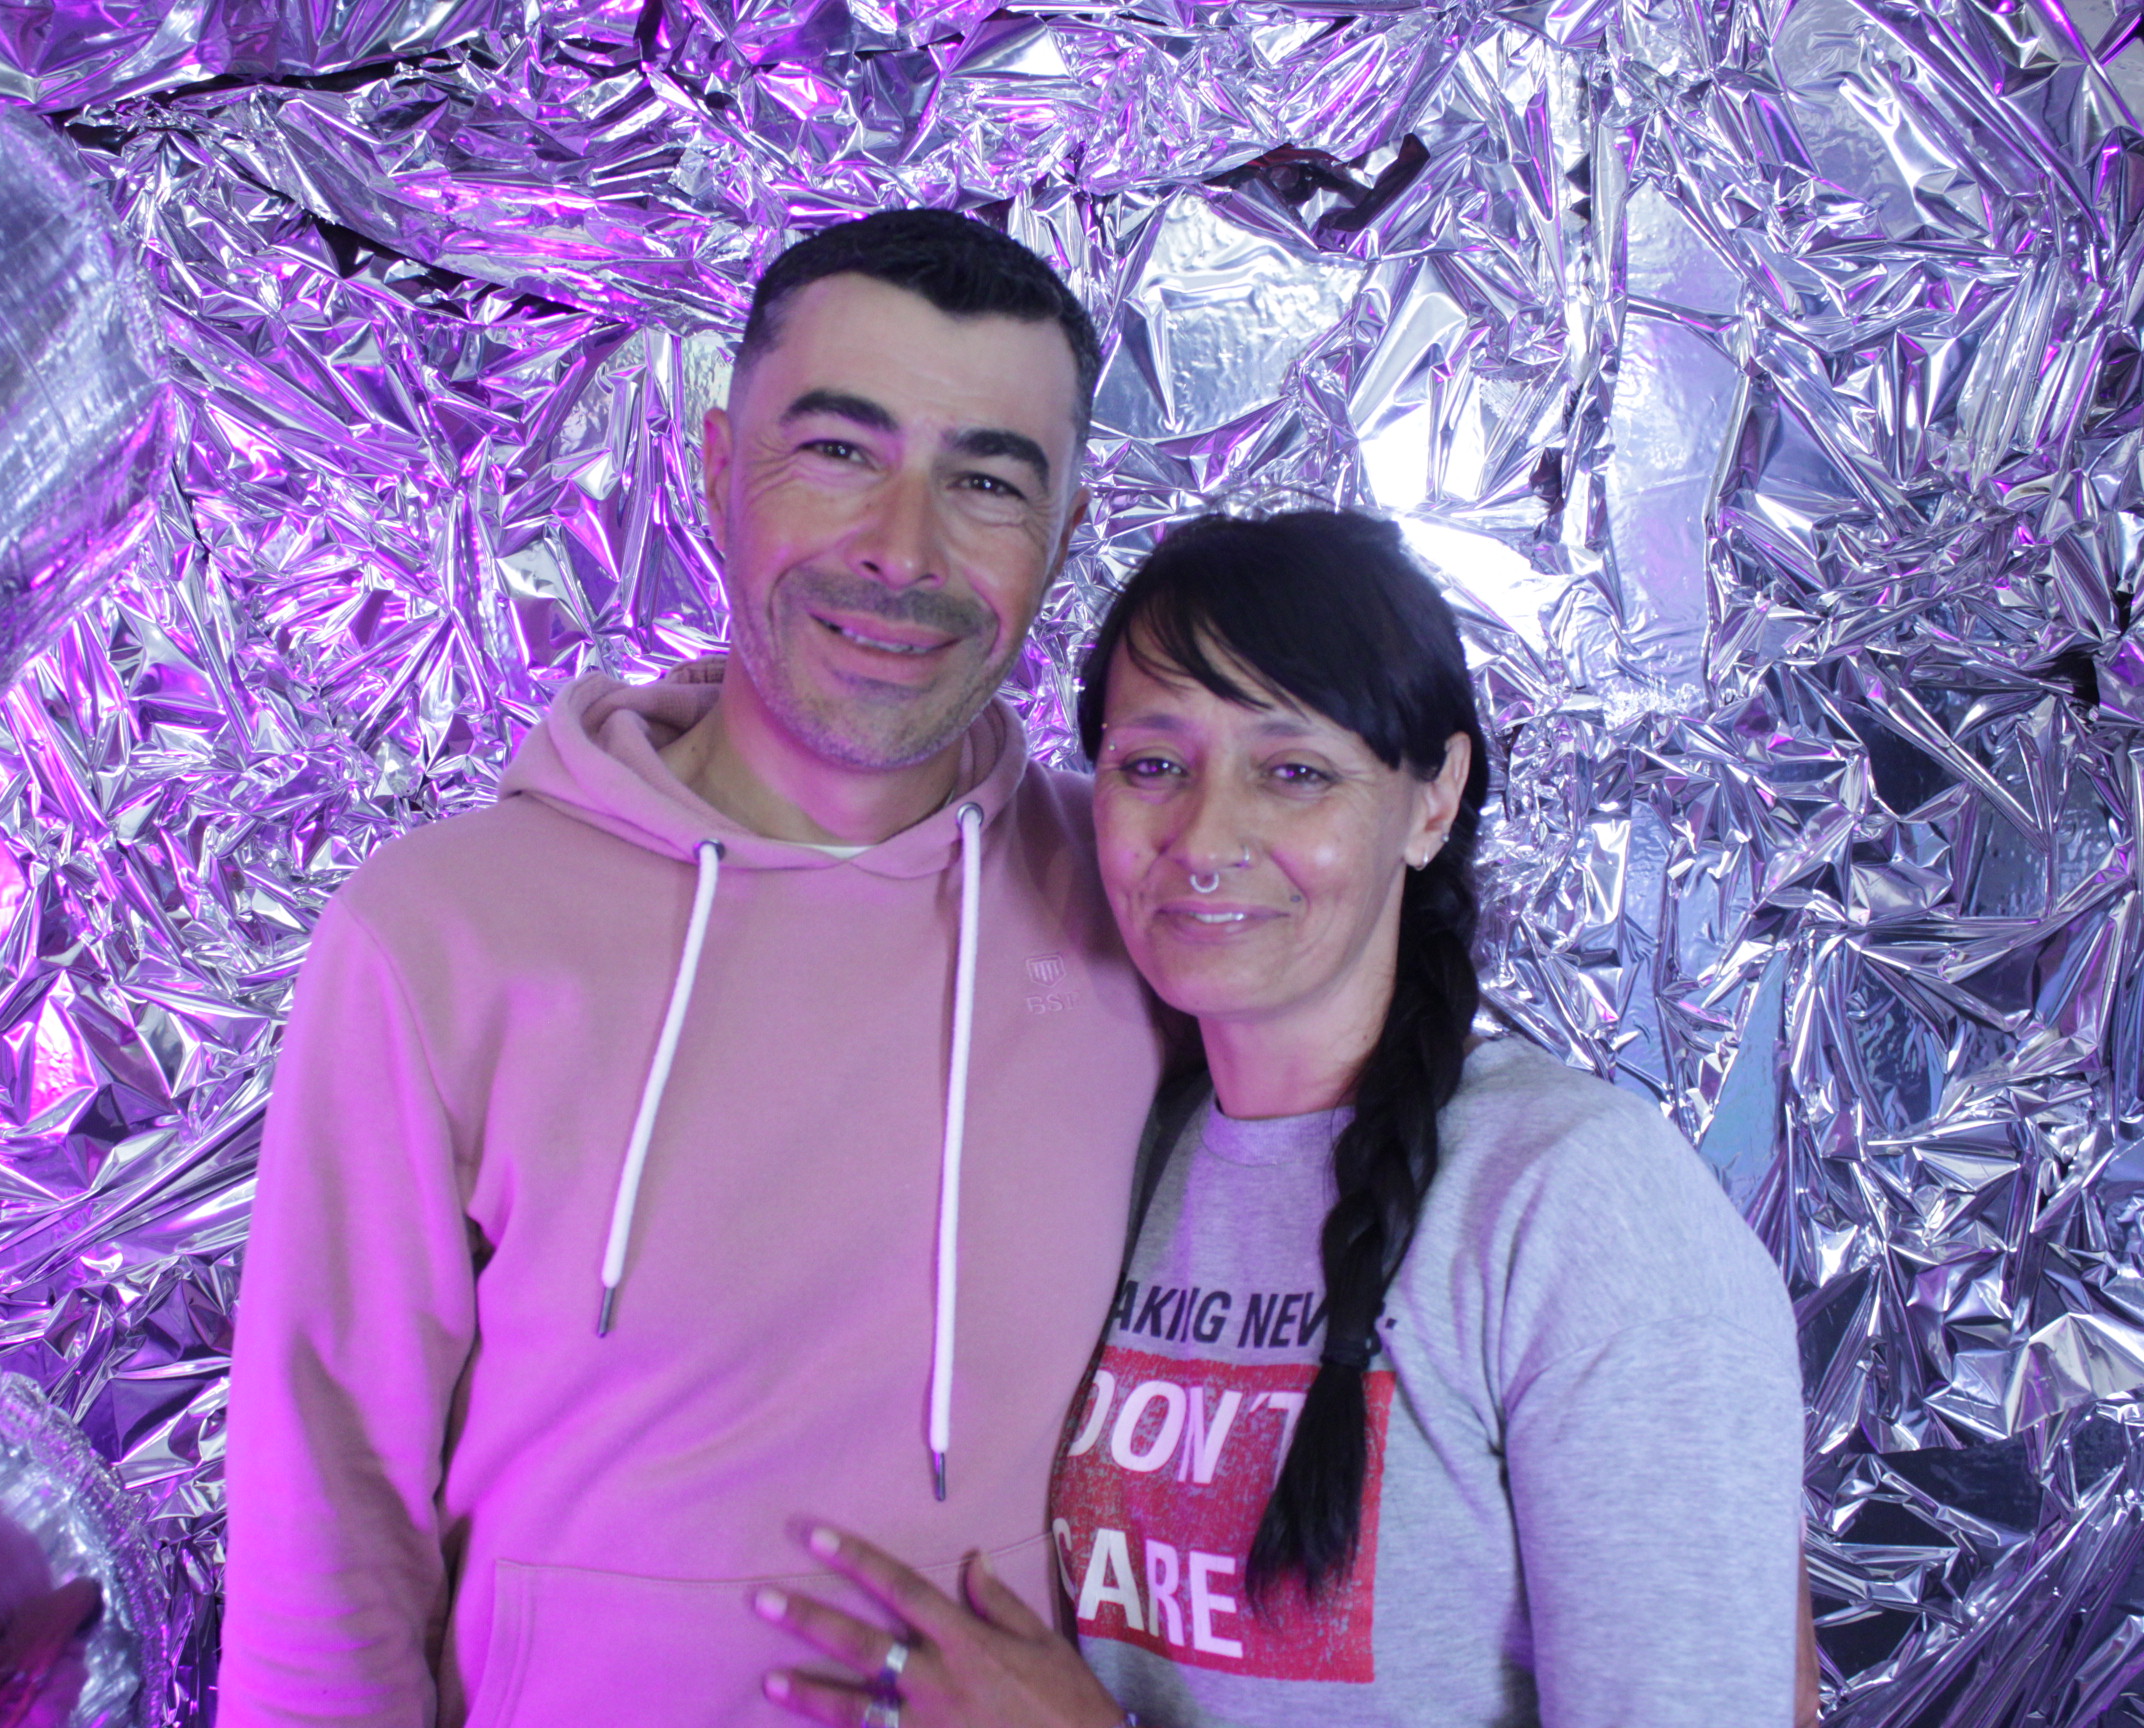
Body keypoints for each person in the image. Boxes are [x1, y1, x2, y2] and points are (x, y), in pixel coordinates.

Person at [218, 209, 1166, 1728]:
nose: (904, 550)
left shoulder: (1144, 907)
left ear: (1063, 532)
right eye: (839, 451)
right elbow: (324, 1520)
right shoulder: (441, 928)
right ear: (718, 468)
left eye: (987, 480)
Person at [754, 513, 1806, 1727]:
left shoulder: (1576, 1206)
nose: (1204, 839)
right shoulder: (1119, 1150)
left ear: (1432, 799)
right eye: (1153, 765)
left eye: (1294, 771)